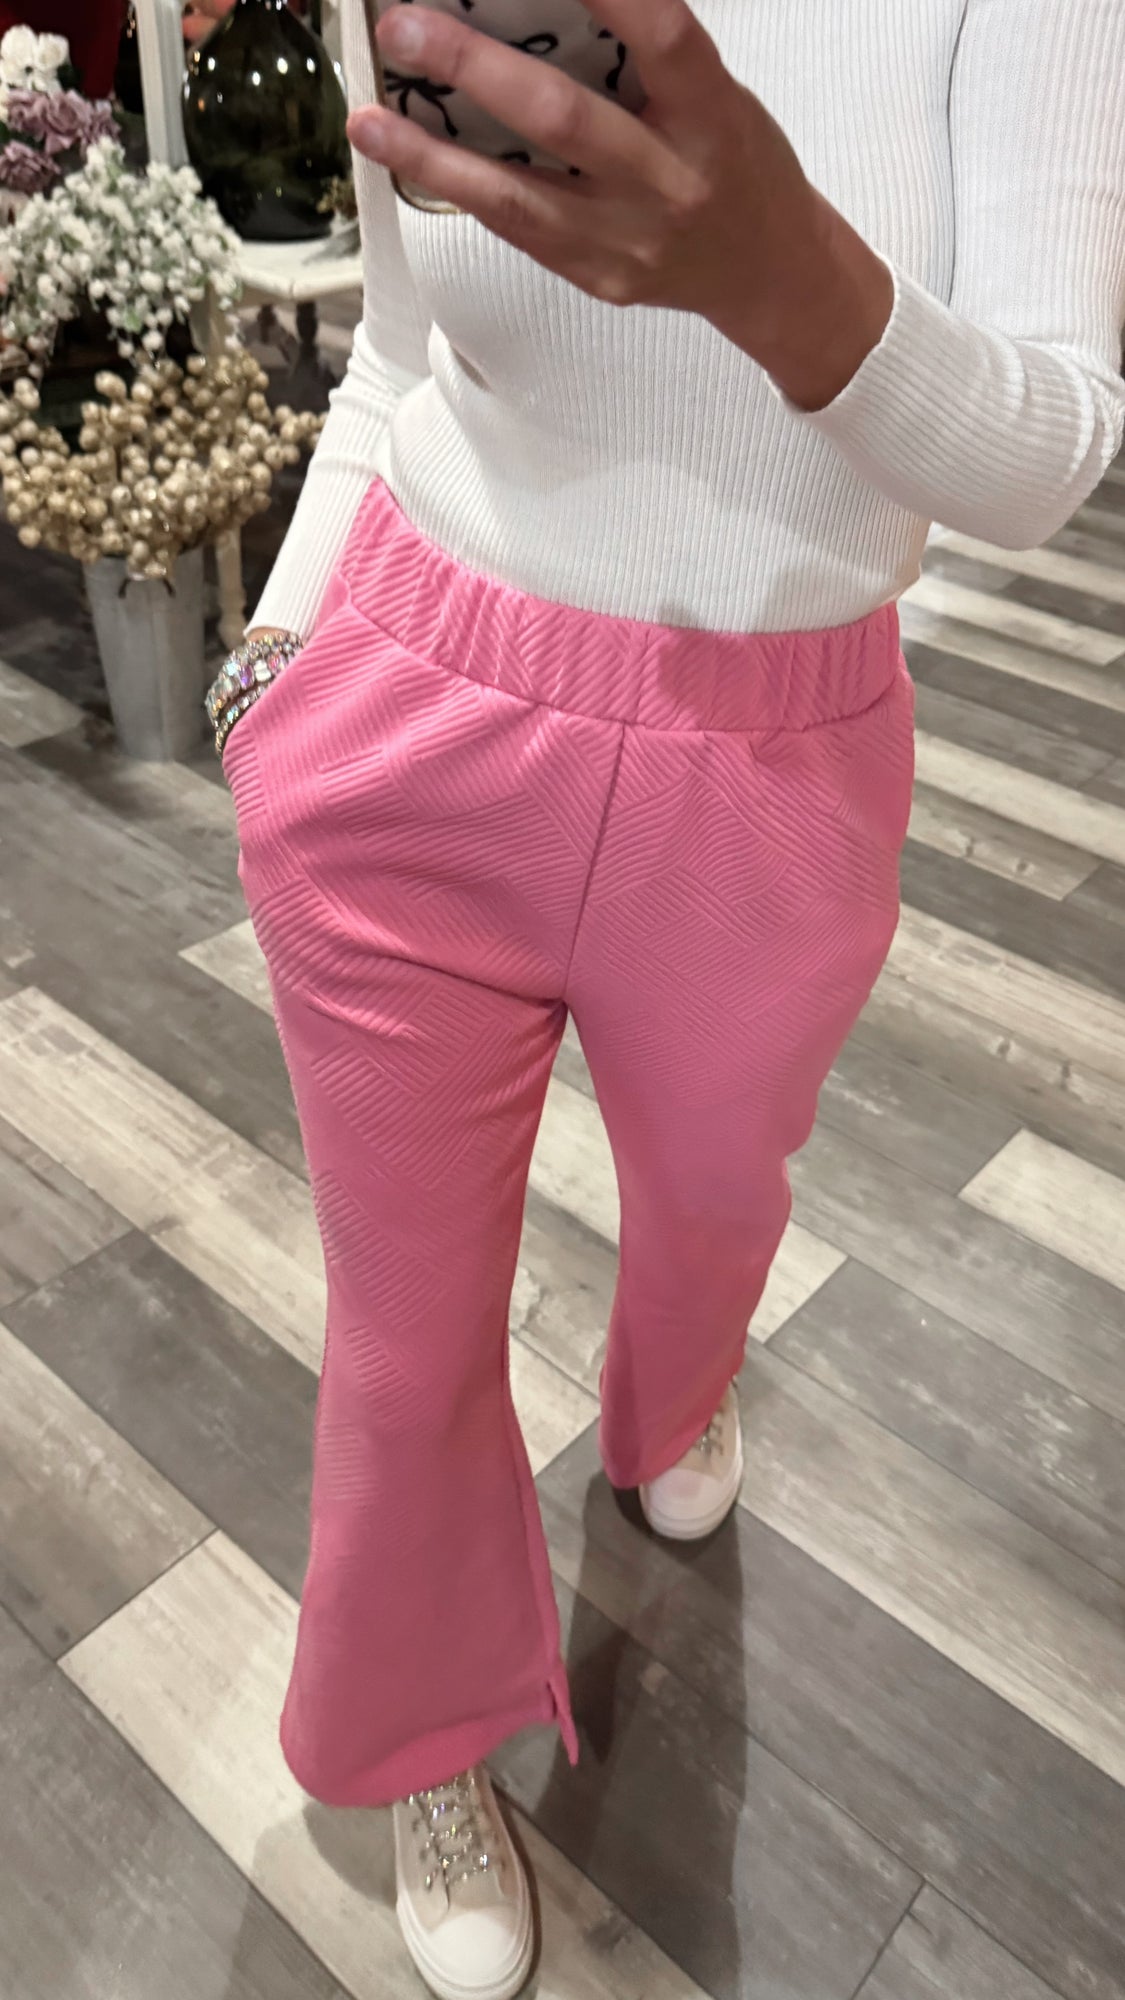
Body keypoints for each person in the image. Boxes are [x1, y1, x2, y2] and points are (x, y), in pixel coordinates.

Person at [209, 2, 1125, 1994]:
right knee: (401, 1348)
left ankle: (670, 1386)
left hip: (773, 765)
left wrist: (777, 270)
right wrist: (271, 650)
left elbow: (1051, 449)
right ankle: (422, 1743)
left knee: (716, 1201)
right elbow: (400, 350)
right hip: (409, 722)